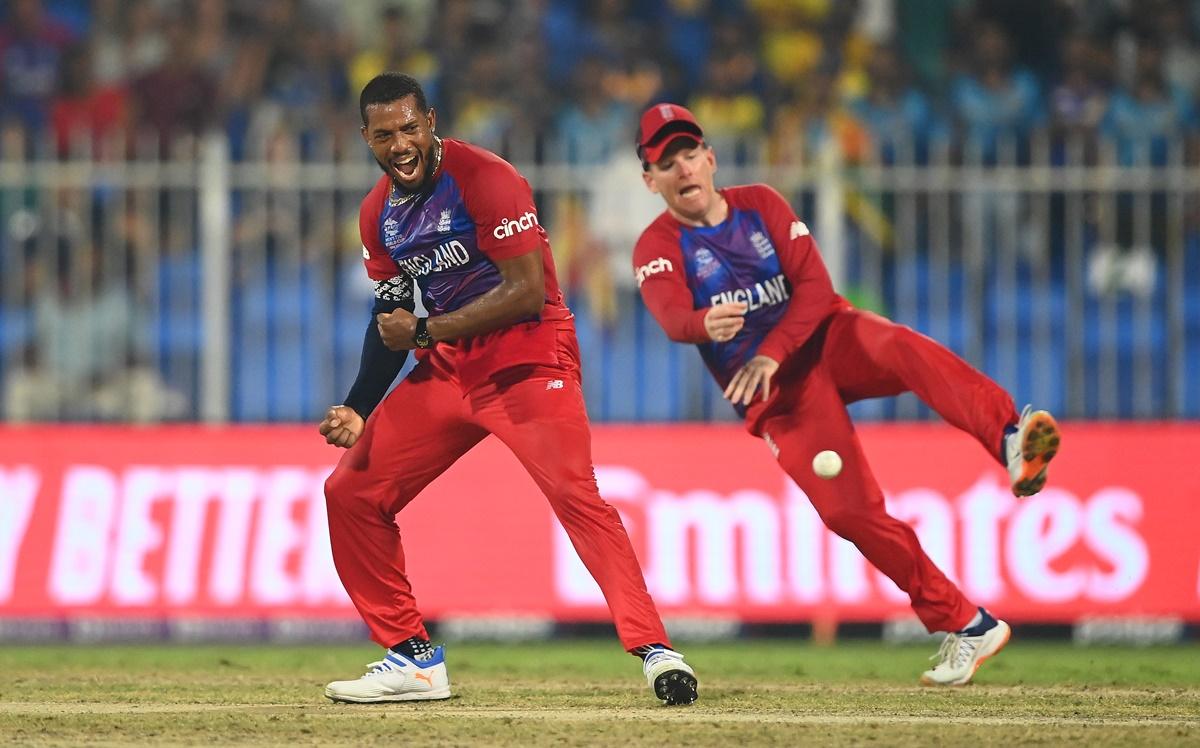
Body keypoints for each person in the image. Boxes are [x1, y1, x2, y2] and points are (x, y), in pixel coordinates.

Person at [631, 103, 1061, 686]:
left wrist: (770, 350)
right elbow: (671, 317)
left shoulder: (761, 203)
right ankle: (968, 624)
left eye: (689, 155)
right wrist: (704, 324)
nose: (683, 171)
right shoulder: (656, 245)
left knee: (902, 347)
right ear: (649, 178)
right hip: (777, 398)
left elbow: (815, 289)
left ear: (710, 157)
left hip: (826, 338)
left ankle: (1010, 436)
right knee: (849, 513)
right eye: (667, 163)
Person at [317, 74, 698, 706]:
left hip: (526, 355)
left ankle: (657, 651)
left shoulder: (485, 178)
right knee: (350, 492)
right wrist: (359, 404)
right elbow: (390, 323)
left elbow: (523, 293)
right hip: (449, 367)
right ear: (366, 138)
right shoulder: (375, 214)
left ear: (430, 121)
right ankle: (413, 660)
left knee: (577, 497)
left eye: (410, 128)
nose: (400, 144)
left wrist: (425, 331)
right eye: (384, 135)